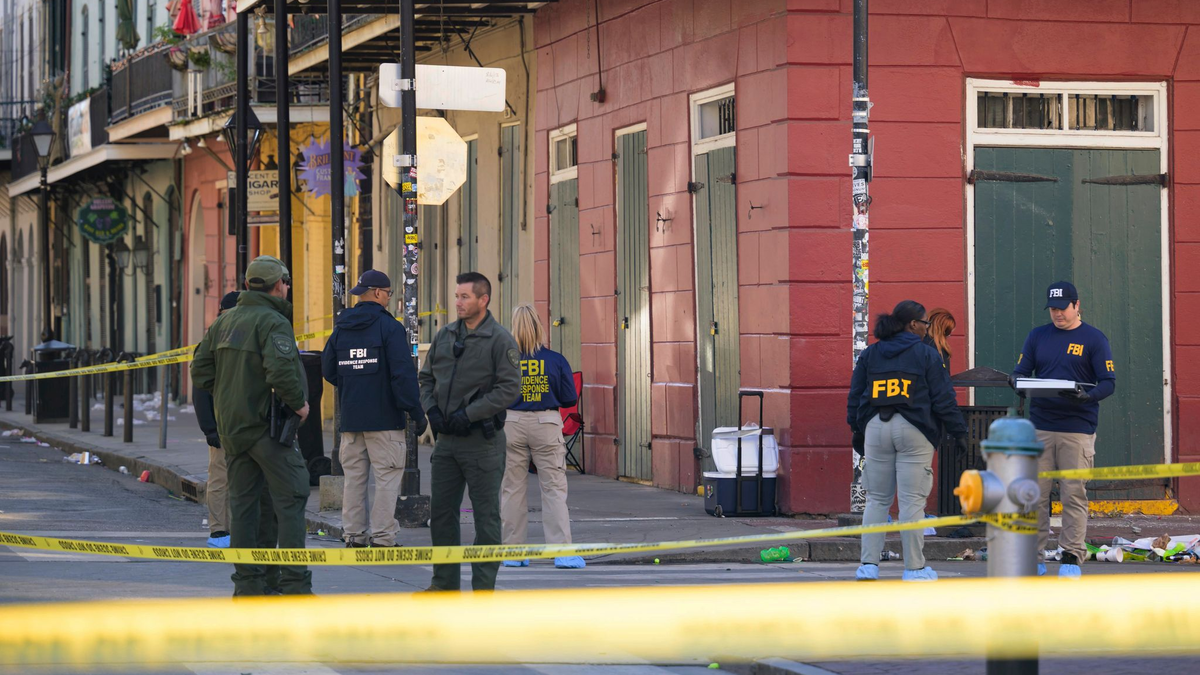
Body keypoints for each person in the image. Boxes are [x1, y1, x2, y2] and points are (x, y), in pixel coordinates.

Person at [191, 255, 313, 596]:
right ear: (279, 286)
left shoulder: (223, 322)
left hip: (233, 429)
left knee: (245, 506)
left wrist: (232, 391)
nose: (287, 289)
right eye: (285, 284)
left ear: (247, 285)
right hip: (265, 428)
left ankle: (249, 586)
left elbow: (200, 371)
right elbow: (281, 373)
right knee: (292, 495)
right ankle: (293, 584)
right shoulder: (273, 322)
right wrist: (299, 406)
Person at [847, 300, 967, 582]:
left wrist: (856, 429)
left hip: (876, 427)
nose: (927, 329)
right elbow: (943, 397)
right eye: (925, 323)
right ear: (913, 324)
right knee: (912, 502)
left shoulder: (871, 353)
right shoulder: (926, 354)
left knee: (877, 499)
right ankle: (914, 568)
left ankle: (868, 566)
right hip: (915, 429)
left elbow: (855, 395)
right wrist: (959, 432)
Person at [419, 272, 521, 592]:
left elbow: (509, 389)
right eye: (457, 296)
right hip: (447, 442)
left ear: (483, 300)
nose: (458, 303)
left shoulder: (499, 339)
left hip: (482, 443)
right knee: (441, 515)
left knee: (486, 518)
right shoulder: (446, 335)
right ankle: (444, 585)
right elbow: (425, 379)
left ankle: (483, 590)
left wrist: (470, 414)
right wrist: (431, 410)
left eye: (465, 297)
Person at [1011, 281, 1116, 579]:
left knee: (1073, 494)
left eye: (1062, 308)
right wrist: (1016, 382)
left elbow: (1109, 381)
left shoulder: (1094, 339)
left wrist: (1088, 396)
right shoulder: (1038, 336)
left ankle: (1071, 556)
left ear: (1077, 305)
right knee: (1035, 496)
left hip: (1077, 429)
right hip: (1040, 427)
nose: (1057, 314)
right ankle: (1034, 558)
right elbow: (1021, 372)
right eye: (1053, 309)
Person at [321, 270, 427, 548]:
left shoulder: (341, 327)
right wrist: (415, 412)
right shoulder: (390, 328)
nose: (389, 299)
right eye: (389, 294)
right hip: (385, 420)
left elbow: (329, 369)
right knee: (387, 479)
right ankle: (383, 538)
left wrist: (352, 385)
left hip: (352, 420)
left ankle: (354, 535)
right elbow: (402, 376)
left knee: (354, 480)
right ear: (379, 293)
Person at [499, 304, 584, 569]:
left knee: (512, 490)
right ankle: (562, 552)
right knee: (553, 489)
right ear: (540, 326)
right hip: (546, 423)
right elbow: (570, 397)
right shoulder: (555, 360)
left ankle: (513, 552)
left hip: (511, 423)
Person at [195, 291, 241, 548]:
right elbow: (200, 388)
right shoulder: (213, 340)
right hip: (223, 424)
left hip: (242, 423)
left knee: (238, 479)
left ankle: (234, 529)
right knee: (221, 479)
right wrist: (209, 428)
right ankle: (219, 531)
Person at [921, 308, 956, 372]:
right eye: (948, 333)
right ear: (943, 331)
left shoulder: (916, 343)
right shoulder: (938, 348)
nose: (949, 336)